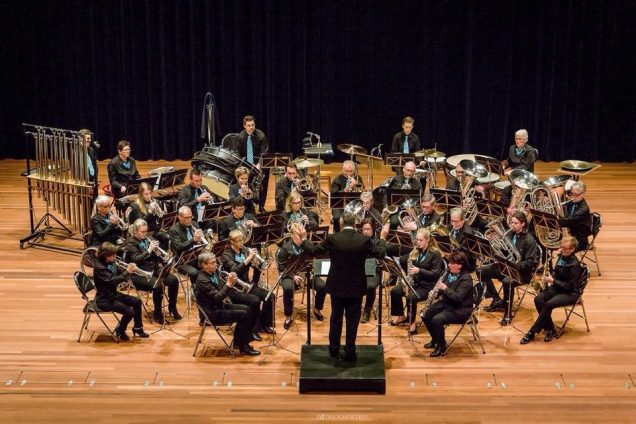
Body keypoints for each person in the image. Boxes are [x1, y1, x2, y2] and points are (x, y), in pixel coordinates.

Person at [300, 212, 387, 362]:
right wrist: (383, 238)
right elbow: (381, 253)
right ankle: (350, 352)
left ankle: (333, 349)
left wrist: (303, 239)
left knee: (336, 318)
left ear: (341, 222)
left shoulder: (333, 239)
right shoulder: (364, 240)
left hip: (337, 286)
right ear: (355, 224)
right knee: (352, 321)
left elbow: (314, 251)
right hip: (356, 287)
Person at [481, 212, 540, 325]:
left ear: (522, 224)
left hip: (522, 273)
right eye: (511, 222)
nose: (512, 225)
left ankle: (508, 314)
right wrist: (494, 245)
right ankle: (497, 299)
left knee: (507, 281)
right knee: (481, 271)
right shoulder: (510, 234)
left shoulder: (529, 240)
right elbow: (504, 251)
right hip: (506, 267)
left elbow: (530, 263)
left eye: (515, 223)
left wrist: (512, 265)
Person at [195, 252, 260, 356]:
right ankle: (243, 346)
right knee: (243, 314)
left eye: (215, 262)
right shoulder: (202, 280)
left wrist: (230, 282)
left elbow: (221, 290)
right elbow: (217, 298)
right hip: (212, 313)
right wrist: (229, 283)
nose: (216, 264)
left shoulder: (213, 272)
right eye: (212, 263)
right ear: (204, 265)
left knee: (247, 309)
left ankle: (239, 342)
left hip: (220, 306)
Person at [521, 236, 583, 344]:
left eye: (565, 249)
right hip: (558, 287)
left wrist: (553, 281)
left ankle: (532, 332)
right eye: (561, 247)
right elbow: (556, 272)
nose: (561, 250)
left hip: (570, 293)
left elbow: (570, 286)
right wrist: (550, 276)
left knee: (548, 304)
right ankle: (551, 329)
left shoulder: (575, 265)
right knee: (538, 299)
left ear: (572, 249)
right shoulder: (561, 257)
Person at [220, 230, 275, 337]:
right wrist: (249, 258)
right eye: (239, 241)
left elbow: (255, 270)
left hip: (248, 284)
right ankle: (253, 329)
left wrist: (255, 263)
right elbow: (235, 270)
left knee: (270, 297)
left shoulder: (244, 251)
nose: (242, 243)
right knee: (255, 301)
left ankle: (264, 325)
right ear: (232, 242)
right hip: (235, 288)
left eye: (242, 240)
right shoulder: (226, 255)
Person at [390, 228, 445, 334]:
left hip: (427, 286)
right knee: (395, 291)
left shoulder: (435, 254)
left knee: (411, 297)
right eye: (417, 240)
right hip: (415, 282)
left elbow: (435, 274)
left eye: (420, 240)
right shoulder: (416, 251)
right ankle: (401, 316)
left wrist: (419, 270)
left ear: (428, 240)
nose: (418, 243)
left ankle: (412, 324)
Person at [125, 219, 181, 324]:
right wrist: (149, 250)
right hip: (139, 273)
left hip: (153, 269)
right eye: (142, 232)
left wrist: (160, 255)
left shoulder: (148, 239)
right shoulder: (130, 243)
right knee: (158, 285)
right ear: (135, 231)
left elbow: (156, 258)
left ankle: (172, 307)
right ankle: (158, 313)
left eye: (146, 231)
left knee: (174, 280)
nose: (145, 234)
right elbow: (136, 259)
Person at [93, 242, 149, 341]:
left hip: (113, 294)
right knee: (130, 312)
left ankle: (138, 328)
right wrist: (127, 271)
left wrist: (130, 269)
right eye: (113, 255)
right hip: (104, 300)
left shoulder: (111, 261)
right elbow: (113, 281)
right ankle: (120, 330)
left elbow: (118, 272)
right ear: (105, 255)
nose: (115, 256)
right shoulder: (99, 267)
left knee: (137, 301)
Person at [422, 250, 474, 357]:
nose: (449, 265)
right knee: (425, 314)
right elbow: (442, 289)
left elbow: (458, 298)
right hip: (448, 303)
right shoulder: (449, 273)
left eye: (452, 263)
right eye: (449, 262)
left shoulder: (466, 279)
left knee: (437, 320)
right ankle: (435, 339)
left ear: (460, 265)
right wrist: (435, 293)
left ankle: (441, 347)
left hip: (461, 309)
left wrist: (445, 288)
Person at [276, 222, 327, 329]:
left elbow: (314, 253)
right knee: (289, 289)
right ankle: (288, 316)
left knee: (323, 287)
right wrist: (293, 276)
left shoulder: (306, 245)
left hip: (306, 274)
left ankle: (317, 310)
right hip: (289, 275)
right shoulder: (284, 249)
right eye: (299, 235)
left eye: (302, 234)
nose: (301, 237)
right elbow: (281, 270)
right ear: (292, 235)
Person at [236, 115, 269, 211]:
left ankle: (261, 206)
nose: (251, 128)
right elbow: (237, 154)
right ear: (244, 126)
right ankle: (247, 204)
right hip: (246, 164)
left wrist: (258, 164)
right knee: (245, 181)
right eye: (249, 125)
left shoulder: (260, 135)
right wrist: (247, 165)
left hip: (259, 163)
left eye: (253, 125)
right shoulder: (240, 137)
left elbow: (264, 153)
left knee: (264, 180)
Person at [168, 206, 206, 284]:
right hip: (182, 261)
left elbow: (200, 243)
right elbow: (179, 247)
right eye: (187, 217)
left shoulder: (194, 224)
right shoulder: (174, 230)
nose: (189, 220)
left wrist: (202, 239)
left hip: (196, 256)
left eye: (190, 217)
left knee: (211, 266)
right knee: (195, 273)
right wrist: (193, 240)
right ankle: (196, 290)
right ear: (180, 217)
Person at [127, 182, 170, 250]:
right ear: (141, 195)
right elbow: (140, 223)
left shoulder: (155, 201)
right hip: (144, 233)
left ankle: (163, 257)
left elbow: (161, 218)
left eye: (150, 193)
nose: (149, 196)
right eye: (146, 194)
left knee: (168, 237)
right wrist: (150, 211)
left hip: (154, 230)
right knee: (156, 244)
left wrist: (161, 214)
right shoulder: (136, 206)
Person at [359, 219, 383, 323]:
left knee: (370, 286)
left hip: (374, 271)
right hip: (360, 270)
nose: (366, 231)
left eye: (368, 229)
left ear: (373, 230)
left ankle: (367, 310)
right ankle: (355, 307)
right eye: (364, 229)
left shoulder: (377, 242)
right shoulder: (358, 241)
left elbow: (381, 255)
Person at [330, 160, 364, 232]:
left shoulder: (358, 178)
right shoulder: (337, 180)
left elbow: (362, 193)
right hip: (339, 205)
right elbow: (333, 194)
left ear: (354, 171)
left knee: (361, 216)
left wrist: (355, 187)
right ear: (342, 170)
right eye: (346, 171)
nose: (349, 173)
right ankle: (337, 233)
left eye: (351, 171)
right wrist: (344, 191)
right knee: (336, 218)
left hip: (354, 204)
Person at [558, 181, 592, 252]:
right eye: (571, 193)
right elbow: (562, 210)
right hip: (571, 232)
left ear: (582, 194)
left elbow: (566, 221)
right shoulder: (573, 202)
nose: (572, 196)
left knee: (559, 249)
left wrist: (551, 219)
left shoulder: (583, 210)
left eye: (575, 194)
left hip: (577, 240)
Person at [79, 129, 98, 197]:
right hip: (83, 183)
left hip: (92, 182)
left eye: (90, 138)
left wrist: (94, 181)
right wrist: (86, 185)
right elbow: (77, 172)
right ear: (81, 139)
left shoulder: (91, 150)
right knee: (85, 204)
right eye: (88, 138)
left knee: (93, 203)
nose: (89, 140)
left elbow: (95, 167)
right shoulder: (76, 152)